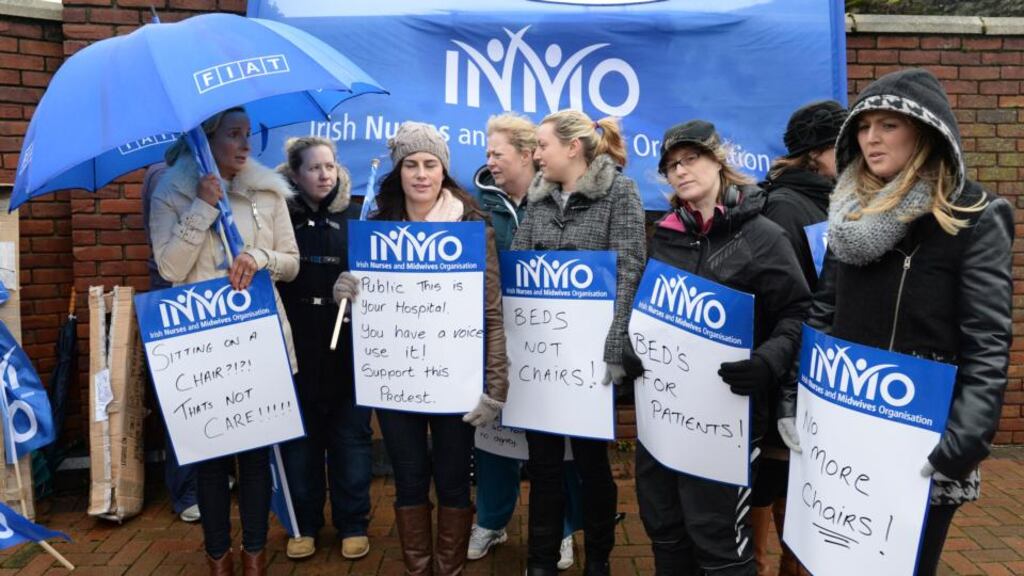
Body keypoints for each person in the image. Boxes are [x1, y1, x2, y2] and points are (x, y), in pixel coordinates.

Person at [778, 68, 1013, 576]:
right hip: (847, 424)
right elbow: (823, 313)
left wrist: (964, 441)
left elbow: (987, 339)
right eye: (864, 127)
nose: (871, 138)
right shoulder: (848, 213)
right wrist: (794, 398)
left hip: (923, 437)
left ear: (925, 131)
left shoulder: (975, 213)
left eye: (888, 126)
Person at [333, 121, 509, 576]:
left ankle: (448, 568)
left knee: (452, 480)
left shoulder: (472, 227)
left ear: (444, 170)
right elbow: (366, 309)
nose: (421, 173)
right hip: (397, 380)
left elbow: (491, 312)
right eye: (411, 164)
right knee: (408, 478)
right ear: (399, 171)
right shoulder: (378, 227)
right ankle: (417, 567)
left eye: (430, 163)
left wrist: (495, 386)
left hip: (457, 382)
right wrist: (348, 290)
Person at [639, 120, 810, 576]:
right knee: (665, 529)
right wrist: (637, 350)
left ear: (719, 160)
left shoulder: (762, 235)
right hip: (665, 418)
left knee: (719, 544)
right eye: (672, 165)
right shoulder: (666, 235)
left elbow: (798, 312)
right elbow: (651, 314)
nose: (681, 170)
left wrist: (768, 361)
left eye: (691, 158)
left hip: (726, 422)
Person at [149, 106, 300, 576]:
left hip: (257, 340)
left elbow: (291, 262)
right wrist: (201, 206)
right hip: (201, 345)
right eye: (234, 135)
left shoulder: (267, 193)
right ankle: (219, 556)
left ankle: (253, 553)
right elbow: (170, 269)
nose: (245, 144)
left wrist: (257, 255)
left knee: (255, 459)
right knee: (211, 461)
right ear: (206, 139)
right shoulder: (171, 191)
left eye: (248, 134)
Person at [511, 109, 645, 576]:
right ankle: (541, 559)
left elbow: (629, 268)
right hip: (544, 361)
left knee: (592, 466)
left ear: (573, 147)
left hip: (592, 363)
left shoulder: (620, 192)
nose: (536, 155)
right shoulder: (538, 197)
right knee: (543, 466)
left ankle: (600, 559)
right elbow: (518, 265)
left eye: (542, 146)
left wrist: (614, 348)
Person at [469, 113, 584, 570]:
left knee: (562, 443)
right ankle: (492, 521)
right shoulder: (476, 205)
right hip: (497, 341)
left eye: (497, 153)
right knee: (493, 436)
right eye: (487, 154)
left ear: (525, 153)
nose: (490, 161)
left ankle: (562, 530)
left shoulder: (562, 197)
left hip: (553, 345)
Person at [755, 100, 846, 576]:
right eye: (841, 145)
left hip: (821, 368)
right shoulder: (787, 207)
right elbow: (783, 299)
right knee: (777, 478)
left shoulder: (832, 199)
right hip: (792, 370)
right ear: (816, 152)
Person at [275, 136, 373, 561]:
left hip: (348, 350)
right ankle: (304, 525)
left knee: (351, 440)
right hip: (297, 348)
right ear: (295, 174)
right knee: (302, 444)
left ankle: (354, 523)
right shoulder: (280, 219)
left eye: (329, 166)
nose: (323, 174)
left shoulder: (356, 216)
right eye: (313, 167)